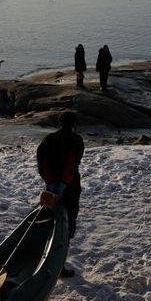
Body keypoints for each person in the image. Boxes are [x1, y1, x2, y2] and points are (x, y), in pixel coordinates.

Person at [36, 111, 84, 277]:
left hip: (51, 187)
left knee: (50, 221)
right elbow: (72, 163)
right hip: (69, 188)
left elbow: (42, 162)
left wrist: (50, 182)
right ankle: (59, 265)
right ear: (74, 124)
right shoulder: (76, 140)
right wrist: (63, 185)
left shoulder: (49, 139)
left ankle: (42, 260)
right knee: (66, 225)